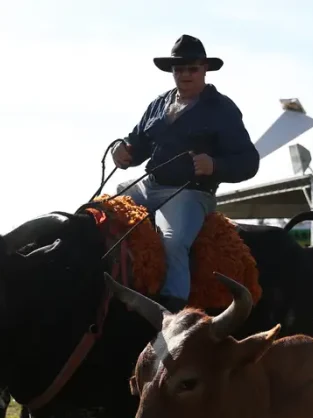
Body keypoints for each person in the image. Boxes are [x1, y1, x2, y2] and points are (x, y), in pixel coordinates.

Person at [111, 34, 259, 312]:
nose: (185, 74)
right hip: (149, 185)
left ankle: (172, 313)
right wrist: (123, 152)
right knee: (104, 211)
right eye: (179, 69)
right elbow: (137, 144)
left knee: (174, 242)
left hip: (191, 193)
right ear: (172, 72)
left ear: (204, 69)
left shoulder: (223, 109)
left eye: (192, 68)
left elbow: (249, 162)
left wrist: (215, 166)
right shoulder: (158, 104)